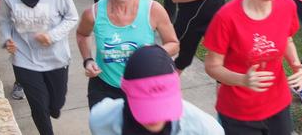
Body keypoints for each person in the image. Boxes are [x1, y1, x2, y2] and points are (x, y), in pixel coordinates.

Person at [204, 0, 302, 135]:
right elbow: (212, 66)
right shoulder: (226, 17)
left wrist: (296, 66)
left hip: (278, 104)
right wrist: (242, 80)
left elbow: (287, 38)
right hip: (239, 112)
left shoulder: (286, 6)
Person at [0, 0, 78, 135]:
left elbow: (72, 17)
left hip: (56, 58)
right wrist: (7, 38)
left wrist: (51, 36)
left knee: (55, 104)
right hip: (24, 58)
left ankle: (54, 107)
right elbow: (4, 20)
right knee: (38, 106)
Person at [76, 0, 179, 108]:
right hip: (105, 87)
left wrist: (151, 54)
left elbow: (173, 44)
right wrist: (88, 60)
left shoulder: (153, 10)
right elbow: (82, 34)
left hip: (144, 86)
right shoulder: (93, 14)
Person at [89, 45, 224, 135]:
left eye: (162, 105)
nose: (154, 118)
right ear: (125, 92)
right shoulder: (101, 121)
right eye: (147, 106)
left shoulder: (205, 129)